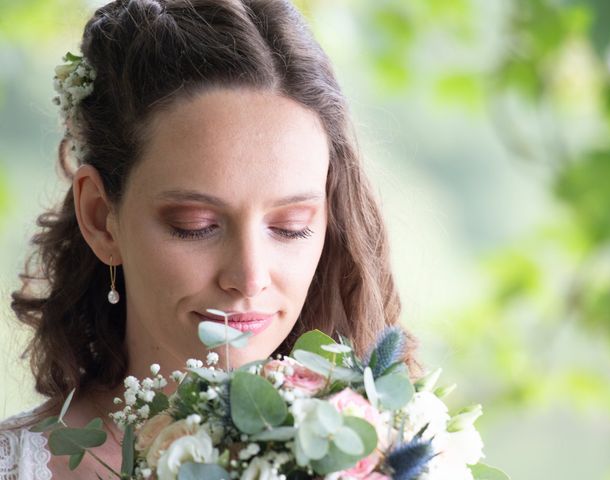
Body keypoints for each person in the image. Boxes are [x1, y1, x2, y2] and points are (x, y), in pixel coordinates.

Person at [0, 0, 420, 478]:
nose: (249, 277)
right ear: (100, 217)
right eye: (196, 225)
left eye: (290, 226)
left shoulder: (390, 455)